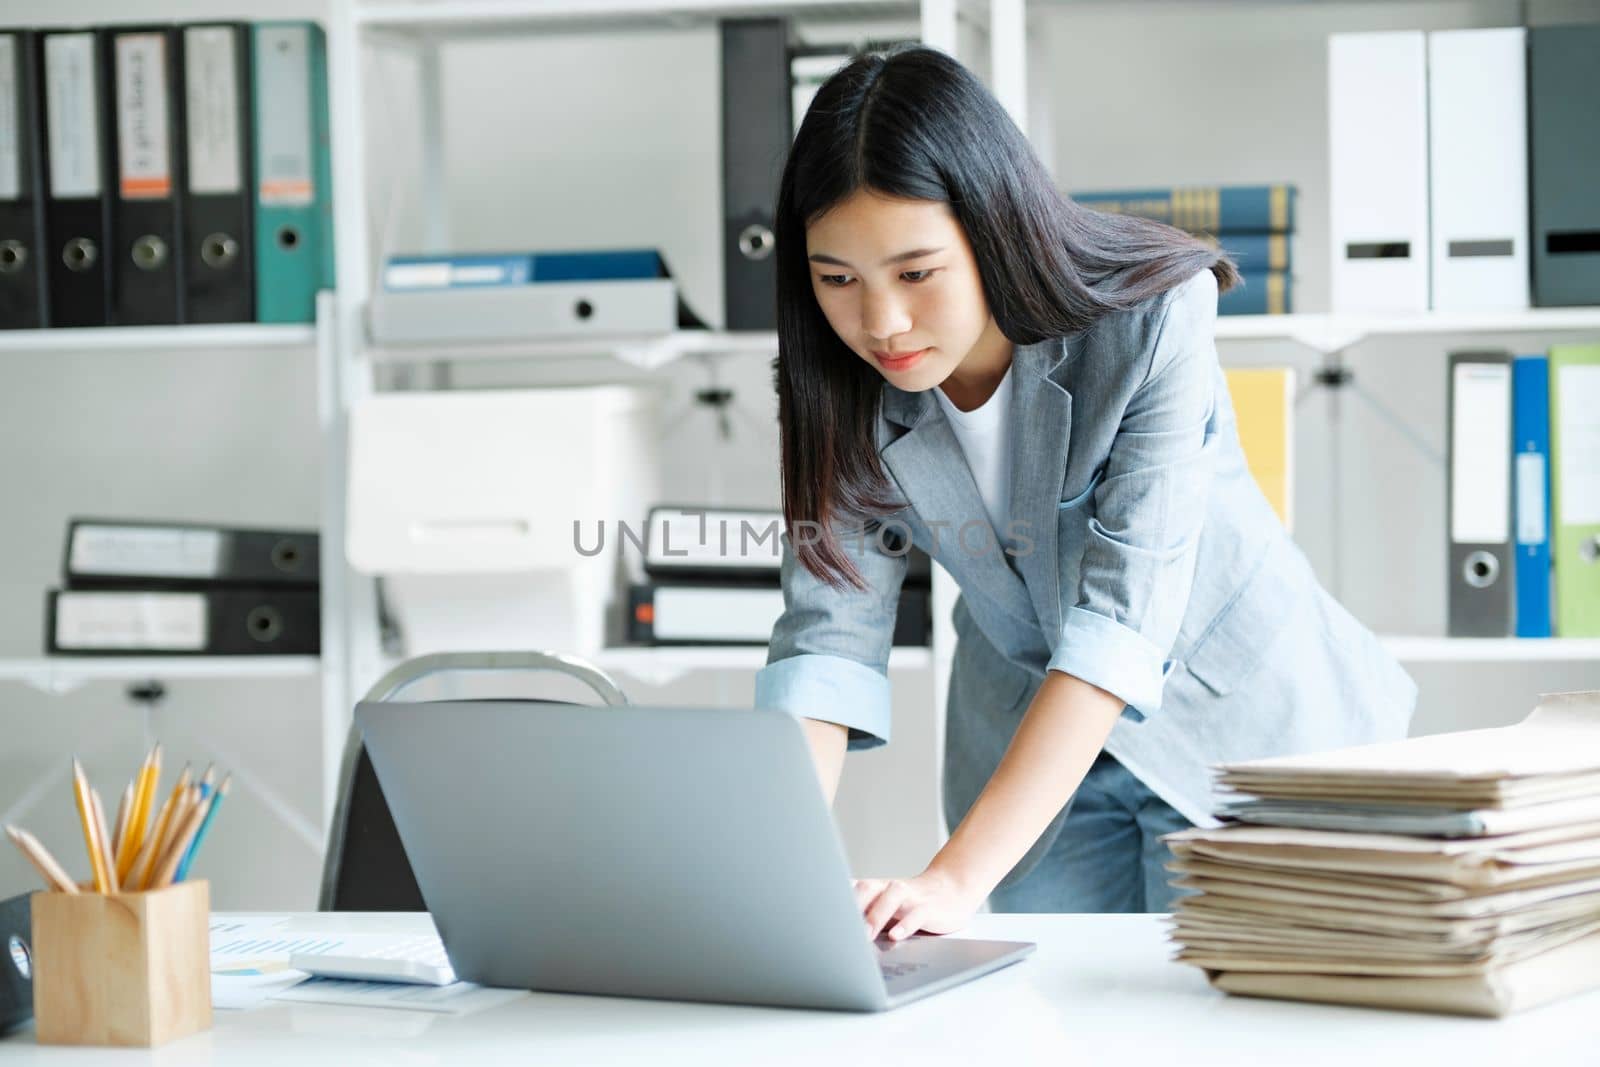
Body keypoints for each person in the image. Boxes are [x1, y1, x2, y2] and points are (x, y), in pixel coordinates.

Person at [752, 45, 1417, 940]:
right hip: (1025, 749)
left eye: (915, 273)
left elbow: (1119, 618)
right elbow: (827, 635)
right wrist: (769, 867)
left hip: (1236, 725)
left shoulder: (1152, 317)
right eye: (838, 280)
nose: (881, 323)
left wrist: (949, 881)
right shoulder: (836, 381)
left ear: (990, 227)